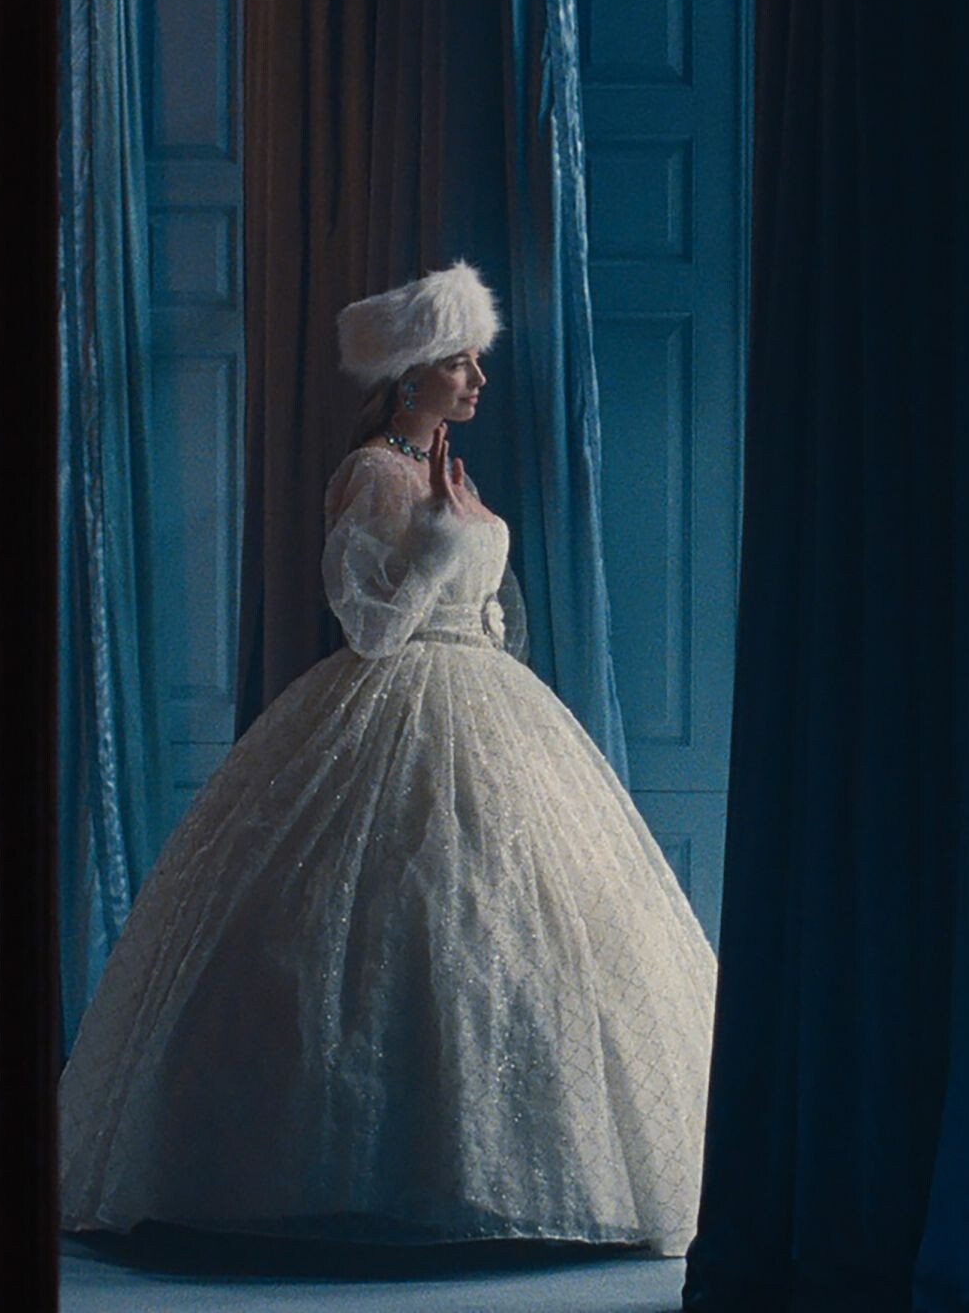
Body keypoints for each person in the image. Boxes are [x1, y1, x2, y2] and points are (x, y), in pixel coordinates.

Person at [58, 261, 717, 1256]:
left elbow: (492, 619)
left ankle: (487, 1169)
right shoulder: (373, 473)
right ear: (413, 373)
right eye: (461, 362)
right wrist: (442, 548)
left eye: (477, 361)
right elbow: (369, 627)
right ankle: (357, 1175)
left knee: (502, 921)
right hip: (396, 697)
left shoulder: (447, 469)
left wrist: (466, 570)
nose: (479, 379)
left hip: (487, 704)